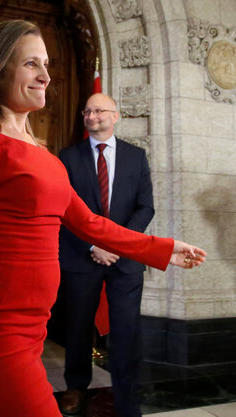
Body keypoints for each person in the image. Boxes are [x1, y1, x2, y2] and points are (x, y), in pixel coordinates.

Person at [0, 20, 207, 417]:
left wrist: (163, 248)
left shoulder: (45, 155)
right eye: (31, 64)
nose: (45, 76)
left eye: (47, 64)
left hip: (32, 329)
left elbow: (90, 224)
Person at [57, 93, 152, 416]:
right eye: (87, 110)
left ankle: (127, 391)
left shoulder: (136, 157)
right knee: (79, 325)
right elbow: (63, 208)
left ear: (116, 116)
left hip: (125, 259)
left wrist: (116, 244)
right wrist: (92, 245)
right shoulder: (67, 157)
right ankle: (76, 386)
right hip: (81, 257)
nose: (91, 115)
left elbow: (145, 206)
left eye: (99, 110)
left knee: (126, 328)